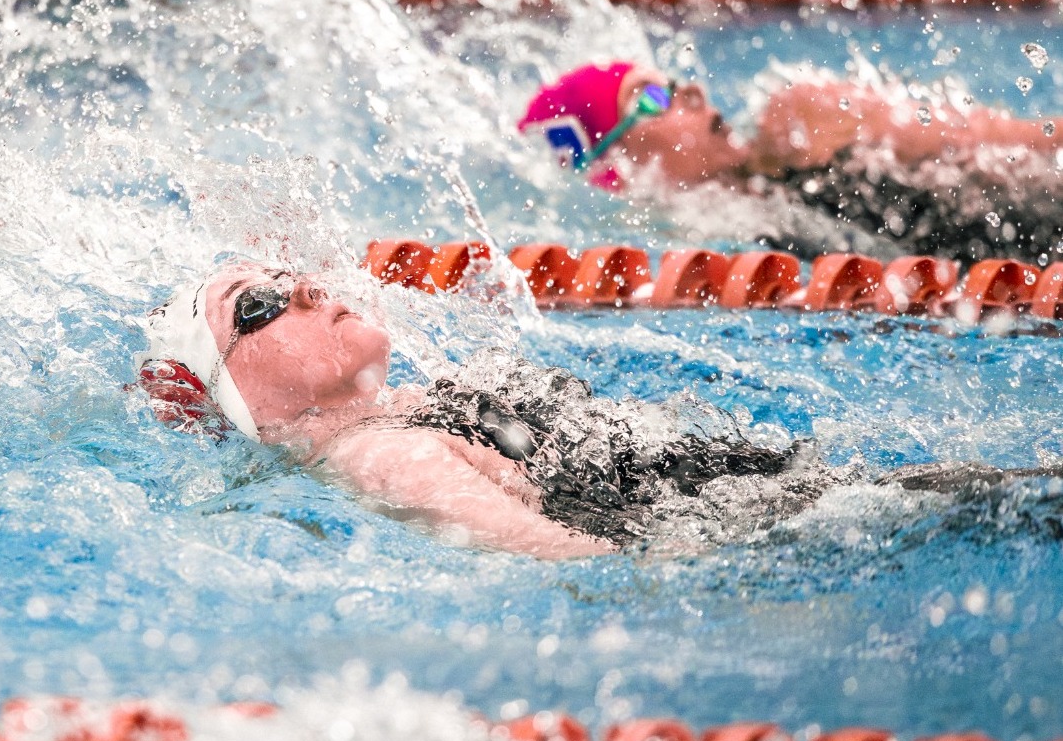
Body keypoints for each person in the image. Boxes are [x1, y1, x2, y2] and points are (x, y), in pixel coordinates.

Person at [138, 262, 1063, 560]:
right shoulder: (381, 459)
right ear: (237, 396)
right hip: (770, 529)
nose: (306, 287)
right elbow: (557, 555)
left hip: (772, 498)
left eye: (290, 275)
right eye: (261, 306)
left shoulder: (400, 414)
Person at [519, 61, 1063, 264]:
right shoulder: (701, 243)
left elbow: (1014, 141)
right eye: (651, 99)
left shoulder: (802, 119)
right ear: (617, 167)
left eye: (674, 83)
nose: (693, 93)